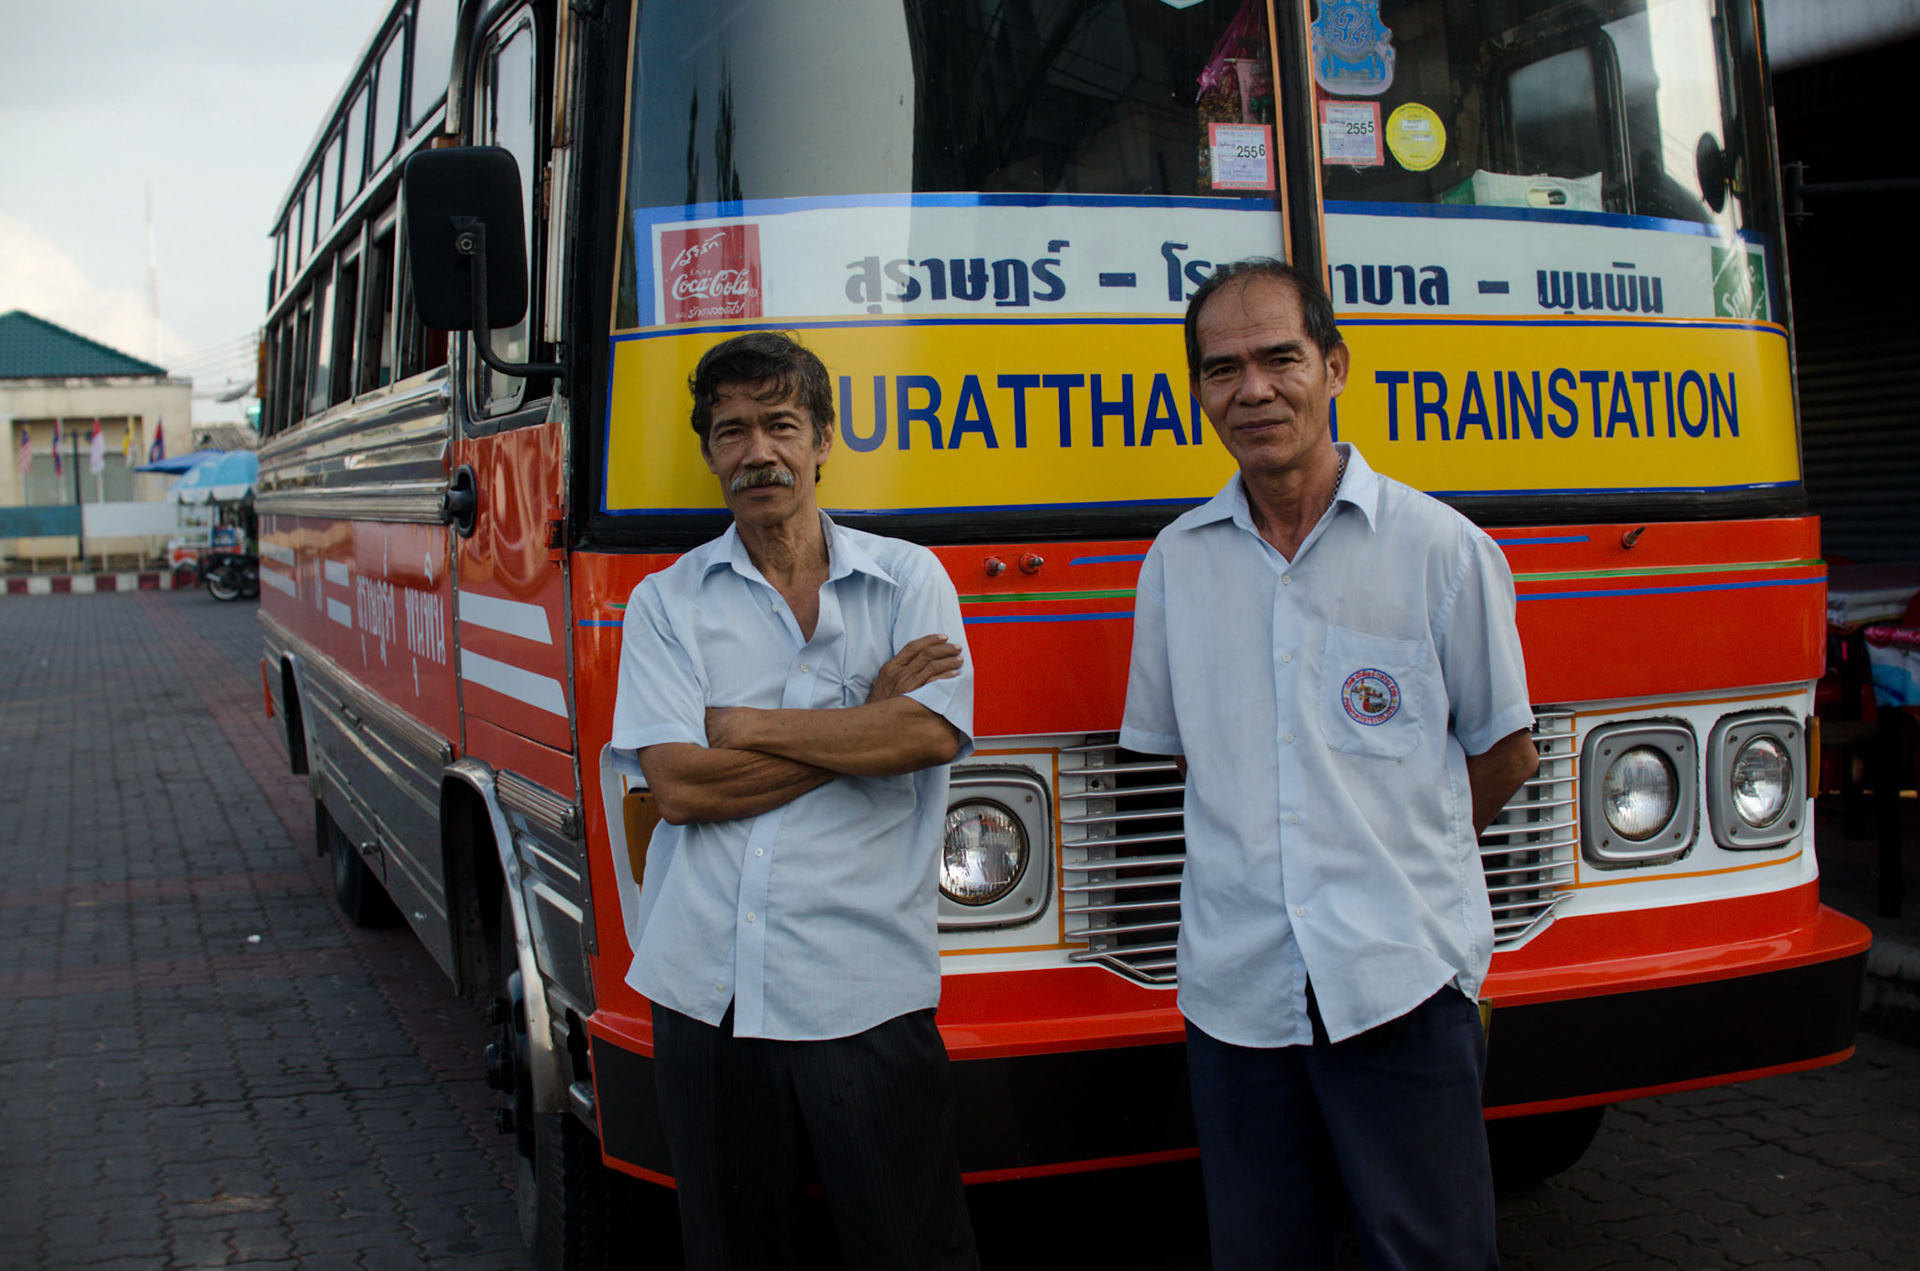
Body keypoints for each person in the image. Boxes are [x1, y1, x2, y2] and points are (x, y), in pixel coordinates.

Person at [1119, 259, 1539, 1270]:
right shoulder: (1176, 561)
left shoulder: (1442, 550)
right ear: (1199, 391)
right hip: (1237, 992)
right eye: (1223, 369)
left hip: (1400, 979)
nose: (1253, 390)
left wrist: (1396, 857)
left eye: (1281, 358)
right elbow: (1188, 758)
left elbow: (1506, 749)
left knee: (1431, 1254)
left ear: (1335, 366)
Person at [610, 330, 980, 1270]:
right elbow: (680, 786)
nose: (758, 452)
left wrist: (743, 725)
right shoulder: (666, 602)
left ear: (823, 439)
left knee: (912, 1250)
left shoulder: (909, 580)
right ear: (709, 455)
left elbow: (926, 736)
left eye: (780, 424)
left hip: (863, 988)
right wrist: (861, 723)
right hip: (707, 993)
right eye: (731, 431)